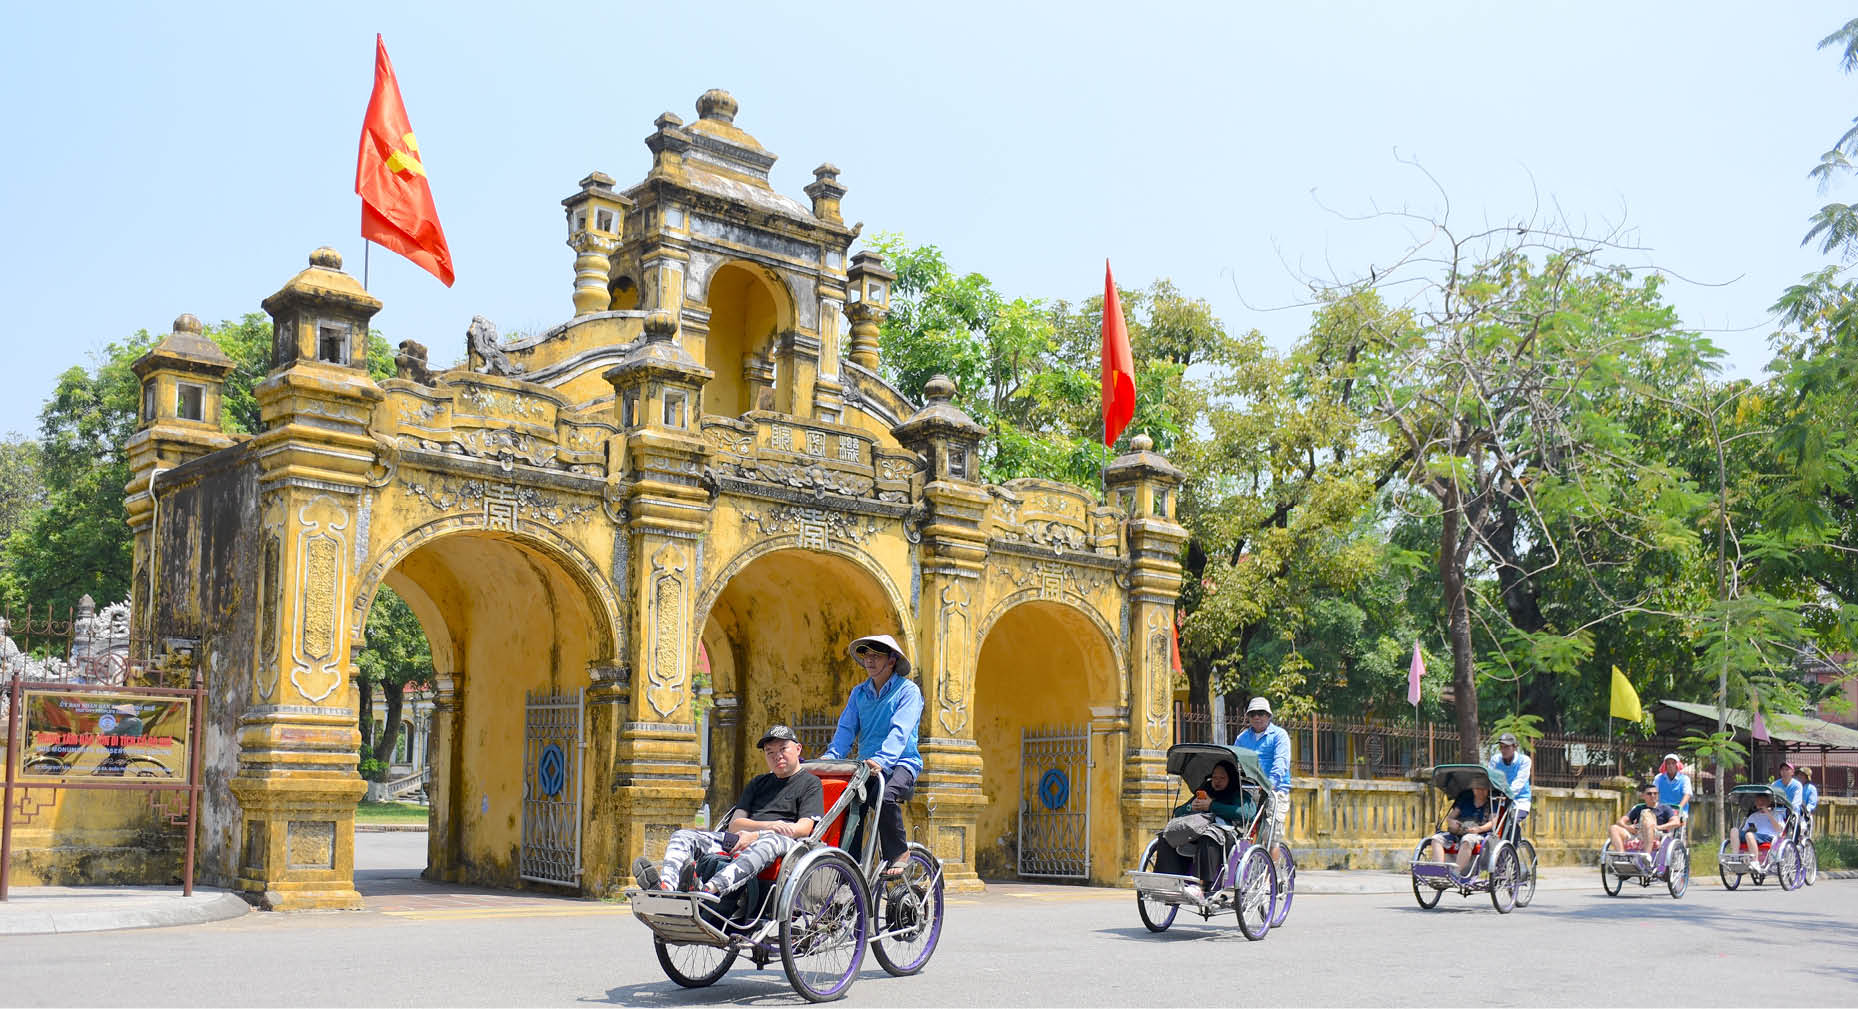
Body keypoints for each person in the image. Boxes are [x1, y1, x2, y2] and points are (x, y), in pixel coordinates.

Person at [633, 724, 823, 897]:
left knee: (769, 841)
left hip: (783, 843)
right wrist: (768, 826)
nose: (777, 756)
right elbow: (735, 824)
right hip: (743, 836)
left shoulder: (810, 783)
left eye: (783, 749)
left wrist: (759, 835)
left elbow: (803, 828)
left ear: (798, 749)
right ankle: (666, 888)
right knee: (682, 836)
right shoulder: (758, 782)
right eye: (770, 752)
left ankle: (707, 889)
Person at [822, 633, 923, 883]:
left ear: (892, 660)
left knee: (884, 795)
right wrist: (830, 759)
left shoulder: (907, 691)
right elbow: (846, 730)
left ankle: (899, 852)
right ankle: (849, 865)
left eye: (876, 656)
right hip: (867, 766)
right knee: (846, 804)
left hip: (901, 763)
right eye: (866, 655)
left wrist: (883, 759)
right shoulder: (859, 693)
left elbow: (900, 731)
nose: (870, 661)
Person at [1155, 759, 1256, 903]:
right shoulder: (1206, 790)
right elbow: (1179, 811)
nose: (1217, 781)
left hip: (1227, 835)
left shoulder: (1238, 793)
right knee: (1168, 835)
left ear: (1231, 778)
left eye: (1222, 778)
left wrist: (1212, 806)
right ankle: (1169, 883)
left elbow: (1247, 813)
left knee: (1208, 836)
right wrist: (1192, 807)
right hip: (1198, 829)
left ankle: (1201, 887)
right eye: (1214, 777)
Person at [1232, 697, 1290, 848]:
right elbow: (1234, 761)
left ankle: (1273, 871)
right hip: (1249, 790)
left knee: (1271, 837)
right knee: (1242, 832)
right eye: (1253, 714)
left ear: (1269, 716)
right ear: (1248, 717)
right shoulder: (1242, 738)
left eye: (1261, 713)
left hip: (1275, 790)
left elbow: (1280, 762)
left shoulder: (1279, 735)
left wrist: (1269, 784)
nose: (1257, 717)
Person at [1426, 780, 1497, 877]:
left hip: (1479, 835)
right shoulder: (1465, 800)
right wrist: (1452, 822)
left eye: (1483, 789)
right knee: (1436, 839)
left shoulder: (1492, 803)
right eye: (1477, 788)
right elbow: (1450, 818)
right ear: (1473, 789)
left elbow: (1492, 822)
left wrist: (1479, 829)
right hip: (1459, 831)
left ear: (1488, 790)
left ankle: (1456, 872)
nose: (1481, 791)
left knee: (1467, 839)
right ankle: (1440, 871)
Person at [1609, 783, 1682, 869]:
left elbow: (1676, 822)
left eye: (1655, 793)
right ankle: (1621, 857)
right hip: (1637, 834)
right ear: (1643, 796)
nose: (1653, 795)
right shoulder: (1638, 808)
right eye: (1649, 793)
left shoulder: (1665, 808)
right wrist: (1628, 827)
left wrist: (1658, 827)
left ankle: (1647, 857)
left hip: (1656, 834)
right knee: (1614, 828)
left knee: (1647, 821)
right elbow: (1620, 821)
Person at [1487, 732, 1533, 826]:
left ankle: (1514, 840)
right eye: (1501, 747)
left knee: (1511, 822)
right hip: (1499, 800)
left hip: (1520, 801)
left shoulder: (1524, 760)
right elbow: (1490, 779)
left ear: (1515, 747)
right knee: (1489, 821)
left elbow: (1519, 782)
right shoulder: (1495, 760)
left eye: (1507, 747)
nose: (1503, 750)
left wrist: (1507, 795)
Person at [1734, 791, 1786, 859]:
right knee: (1734, 831)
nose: (1760, 803)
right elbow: (1744, 830)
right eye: (1758, 801)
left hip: (1769, 837)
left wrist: (1767, 812)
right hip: (1754, 835)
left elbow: (1779, 830)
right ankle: (1735, 857)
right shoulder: (1753, 816)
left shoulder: (1776, 814)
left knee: (1749, 835)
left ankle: (1755, 862)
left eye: (1762, 801)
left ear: (1768, 802)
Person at [1653, 753, 1692, 820]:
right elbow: (1654, 792)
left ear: (1677, 765)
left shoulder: (1685, 779)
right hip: (1662, 810)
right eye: (1668, 763)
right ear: (1665, 765)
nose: (1671, 766)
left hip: (1680, 812)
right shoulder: (1658, 778)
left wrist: (1679, 808)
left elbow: (1687, 795)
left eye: (1673, 763)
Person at [1799, 767, 1819, 838]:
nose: (1799, 776)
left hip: (1805, 816)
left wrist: (1806, 811)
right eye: (1799, 775)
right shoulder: (1797, 787)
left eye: (1802, 775)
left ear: (1806, 777)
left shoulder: (1811, 788)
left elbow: (1812, 803)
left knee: (1803, 837)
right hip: (1795, 814)